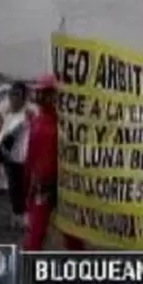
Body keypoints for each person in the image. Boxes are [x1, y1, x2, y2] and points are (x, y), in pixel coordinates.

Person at [22, 75, 84, 250]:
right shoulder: (37, 122)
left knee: (71, 232)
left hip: (64, 184)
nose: (40, 97)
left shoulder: (68, 125)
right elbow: (30, 158)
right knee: (37, 231)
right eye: (39, 93)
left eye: (45, 93)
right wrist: (28, 188)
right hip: (44, 185)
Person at [0, 82, 31, 228]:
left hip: (25, 157)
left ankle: (25, 216)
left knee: (25, 188)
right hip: (10, 157)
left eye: (17, 95)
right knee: (13, 188)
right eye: (11, 95)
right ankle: (16, 215)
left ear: (24, 96)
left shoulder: (29, 114)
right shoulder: (7, 114)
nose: (13, 98)